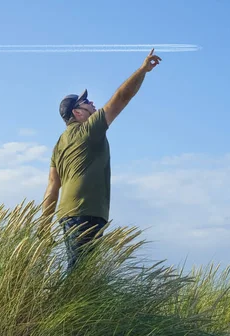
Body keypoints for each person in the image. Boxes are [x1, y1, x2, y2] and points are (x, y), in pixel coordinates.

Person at [41, 48, 162, 272]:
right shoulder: (89, 129)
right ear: (77, 113)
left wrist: (43, 227)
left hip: (69, 214)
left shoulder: (59, 144)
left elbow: (52, 187)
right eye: (85, 101)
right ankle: (63, 306)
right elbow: (121, 98)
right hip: (85, 212)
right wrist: (143, 69)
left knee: (81, 272)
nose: (91, 102)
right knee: (80, 277)